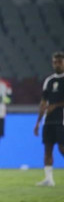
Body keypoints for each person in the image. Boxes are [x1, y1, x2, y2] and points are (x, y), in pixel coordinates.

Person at [34, 51, 64, 186]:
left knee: (62, 148)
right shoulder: (49, 81)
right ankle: (49, 179)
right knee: (47, 149)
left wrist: (55, 106)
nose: (57, 64)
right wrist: (38, 122)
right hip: (49, 120)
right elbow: (43, 102)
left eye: (60, 62)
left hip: (62, 120)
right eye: (55, 62)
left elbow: (52, 104)